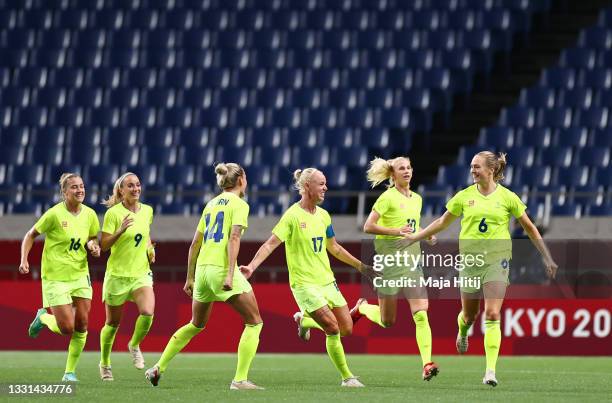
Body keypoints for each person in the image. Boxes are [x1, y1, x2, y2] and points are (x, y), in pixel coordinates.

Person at [403, 151, 558, 387]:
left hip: (498, 261)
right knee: (469, 315)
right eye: (471, 167)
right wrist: (417, 237)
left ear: (491, 170)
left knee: (493, 314)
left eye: (477, 167)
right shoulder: (464, 196)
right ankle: (463, 331)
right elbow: (442, 222)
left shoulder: (508, 198)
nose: (472, 171)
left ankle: (490, 371)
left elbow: (530, 228)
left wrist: (547, 257)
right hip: (470, 262)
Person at [240, 167, 374, 388]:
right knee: (332, 328)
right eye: (321, 184)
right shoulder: (292, 216)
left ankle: (304, 321)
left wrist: (361, 266)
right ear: (306, 187)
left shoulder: (323, 216)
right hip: (304, 285)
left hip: (327, 281)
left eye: (325, 183)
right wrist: (252, 267)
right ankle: (347, 377)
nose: (325, 188)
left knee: (347, 329)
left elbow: (335, 247)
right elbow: (271, 243)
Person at [145, 163, 264, 390]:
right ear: (241, 180)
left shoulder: (210, 204)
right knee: (255, 322)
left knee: (196, 324)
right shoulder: (239, 204)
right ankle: (239, 380)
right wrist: (230, 275)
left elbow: (194, 244)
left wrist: (189, 278)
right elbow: (234, 239)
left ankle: (158, 367)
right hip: (221, 270)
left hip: (202, 271)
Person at [350, 156, 439, 381]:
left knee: (421, 314)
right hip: (389, 265)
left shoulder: (417, 198)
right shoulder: (387, 198)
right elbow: (368, 226)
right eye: (402, 168)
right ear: (393, 175)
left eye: (409, 167)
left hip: (412, 265)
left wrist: (425, 234)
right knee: (387, 321)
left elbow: (411, 224)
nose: (407, 171)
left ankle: (427, 363)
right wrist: (395, 232)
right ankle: (362, 309)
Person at [19, 173, 101, 382]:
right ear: (64, 192)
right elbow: (30, 235)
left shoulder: (90, 214)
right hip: (56, 277)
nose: (80, 190)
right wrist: (24, 260)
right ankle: (43, 318)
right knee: (67, 328)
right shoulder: (54, 214)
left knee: (82, 324)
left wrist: (93, 246)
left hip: (80, 274)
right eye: (74, 187)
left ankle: (69, 373)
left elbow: (91, 238)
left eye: (82, 186)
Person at [98, 172, 156, 381]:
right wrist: (120, 231)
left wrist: (150, 249)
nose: (135, 189)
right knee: (112, 324)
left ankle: (134, 345)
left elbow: (146, 234)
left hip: (140, 274)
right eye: (130, 186)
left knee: (148, 312)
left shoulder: (148, 210)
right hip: (117, 276)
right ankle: (105, 363)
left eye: (138, 185)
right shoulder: (113, 214)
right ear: (121, 190)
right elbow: (103, 245)